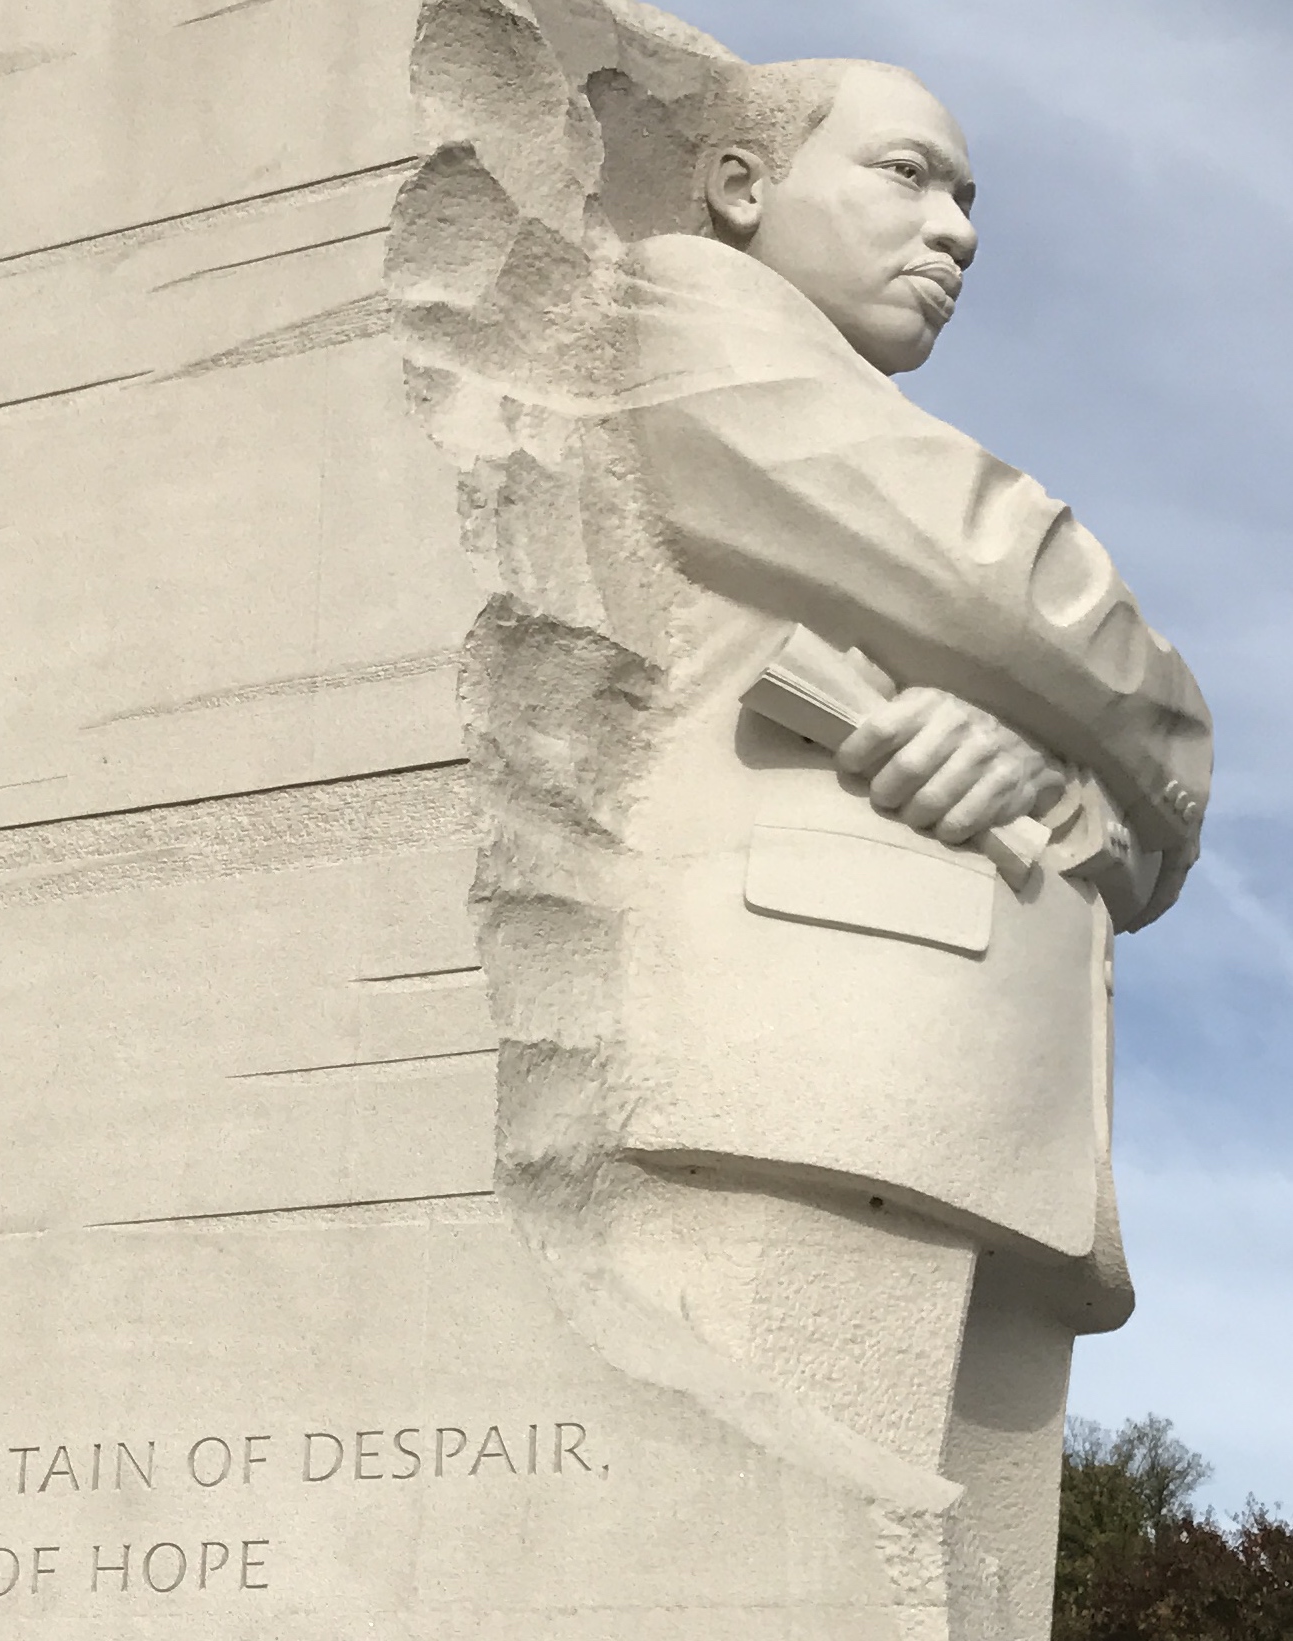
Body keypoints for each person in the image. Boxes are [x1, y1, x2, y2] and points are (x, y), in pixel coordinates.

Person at [454, 56, 1212, 1640]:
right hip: (815, 1068)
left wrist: (1069, 784)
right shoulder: (687, 312)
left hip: (970, 1088)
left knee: (953, 1594)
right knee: (781, 1572)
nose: (959, 230)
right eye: (908, 174)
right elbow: (1022, 590)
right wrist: (1152, 738)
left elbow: (1135, 824)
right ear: (740, 188)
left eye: (971, 199)